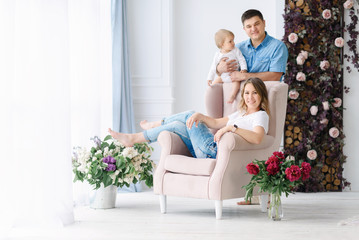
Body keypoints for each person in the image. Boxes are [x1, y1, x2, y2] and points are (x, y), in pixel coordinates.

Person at [108, 78, 269, 160]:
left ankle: (140, 134)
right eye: (247, 93)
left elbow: (257, 138)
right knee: (180, 123)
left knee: (189, 114)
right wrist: (201, 117)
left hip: (213, 150)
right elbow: (215, 122)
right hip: (205, 150)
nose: (250, 97)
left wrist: (231, 128)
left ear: (261, 95)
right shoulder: (240, 113)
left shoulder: (260, 115)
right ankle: (136, 137)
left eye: (255, 93)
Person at [217, 9, 288, 82]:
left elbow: (275, 76)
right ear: (244, 29)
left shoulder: (278, 47)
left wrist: (245, 76)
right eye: (249, 26)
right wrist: (219, 69)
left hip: (265, 91)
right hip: (238, 91)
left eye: (257, 24)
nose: (253, 29)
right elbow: (224, 73)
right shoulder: (237, 48)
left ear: (264, 23)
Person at [207, 29, 247, 104]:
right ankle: (212, 97)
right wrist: (210, 78)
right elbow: (213, 67)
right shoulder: (217, 55)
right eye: (230, 41)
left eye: (233, 40)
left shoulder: (235, 50)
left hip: (234, 74)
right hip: (223, 76)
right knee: (214, 84)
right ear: (222, 44)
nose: (234, 43)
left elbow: (242, 59)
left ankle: (233, 95)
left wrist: (244, 69)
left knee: (236, 83)